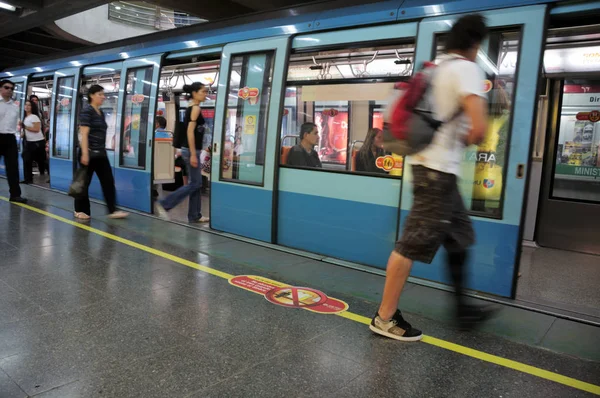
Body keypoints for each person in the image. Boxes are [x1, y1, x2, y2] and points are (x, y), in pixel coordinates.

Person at [370, 14, 492, 342]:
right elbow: (479, 129)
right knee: (410, 245)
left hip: (433, 169)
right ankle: (384, 317)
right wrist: (468, 134)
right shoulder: (466, 69)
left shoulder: (437, 69)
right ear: (476, 44)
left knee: (460, 238)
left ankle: (463, 308)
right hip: (437, 173)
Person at [155, 82, 209, 223]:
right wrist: (192, 154)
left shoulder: (191, 107)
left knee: (196, 184)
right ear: (195, 93)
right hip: (192, 150)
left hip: (190, 149)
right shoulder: (195, 109)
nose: (205, 94)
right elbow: (190, 132)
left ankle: (195, 215)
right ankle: (165, 203)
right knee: (194, 184)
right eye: (203, 91)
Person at [74, 85, 128, 220]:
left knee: (108, 181)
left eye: (103, 94)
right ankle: (80, 209)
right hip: (89, 152)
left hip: (101, 153)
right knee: (84, 182)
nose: (103, 97)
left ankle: (112, 210)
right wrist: (85, 153)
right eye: (100, 94)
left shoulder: (100, 112)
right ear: (92, 95)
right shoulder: (87, 111)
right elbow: (84, 134)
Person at [0, 80, 27, 203]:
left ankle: (15, 195)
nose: (10, 90)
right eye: (7, 87)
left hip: (10, 138)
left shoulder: (15, 107)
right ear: (0, 88)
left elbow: (15, 123)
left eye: (12, 88)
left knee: (13, 168)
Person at [21, 100, 47, 184]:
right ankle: (28, 179)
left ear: (32, 107)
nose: (27, 106)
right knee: (27, 159)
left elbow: (36, 129)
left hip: (37, 142)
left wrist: (24, 126)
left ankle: (48, 175)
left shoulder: (34, 117)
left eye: (29, 105)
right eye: (26, 105)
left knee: (41, 160)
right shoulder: (25, 117)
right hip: (29, 142)